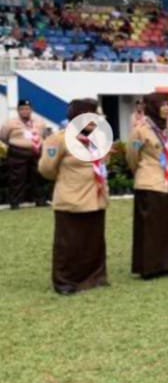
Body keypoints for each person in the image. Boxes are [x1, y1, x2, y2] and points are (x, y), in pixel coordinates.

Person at [38, 98, 110, 295]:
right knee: (69, 244)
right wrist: (68, 180)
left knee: (93, 241)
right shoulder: (59, 139)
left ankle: (94, 276)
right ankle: (65, 281)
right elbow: (46, 169)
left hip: (95, 196)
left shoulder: (98, 138)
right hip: (71, 198)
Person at [126, 92, 168, 279]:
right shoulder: (140, 129)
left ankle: (165, 263)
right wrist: (143, 171)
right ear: (153, 107)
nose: (167, 108)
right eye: (162, 105)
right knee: (150, 228)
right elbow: (132, 156)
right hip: (150, 183)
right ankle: (148, 267)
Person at [1, 98, 48, 209]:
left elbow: (44, 135)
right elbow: (3, 136)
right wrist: (17, 143)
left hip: (36, 151)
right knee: (16, 178)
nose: (25, 111)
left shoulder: (39, 121)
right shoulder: (10, 122)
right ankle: (15, 203)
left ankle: (40, 200)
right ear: (18, 110)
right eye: (22, 109)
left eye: (27, 109)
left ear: (31, 110)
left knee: (38, 177)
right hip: (18, 152)